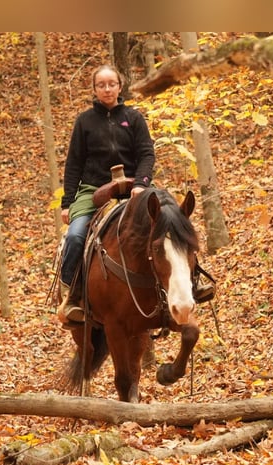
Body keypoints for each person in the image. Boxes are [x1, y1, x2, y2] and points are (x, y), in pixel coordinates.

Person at [57, 64, 154, 324]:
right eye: (102, 85)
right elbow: (74, 164)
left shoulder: (134, 118)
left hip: (133, 187)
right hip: (93, 189)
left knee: (170, 221)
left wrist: (142, 184)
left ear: (120, 87)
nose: (107, 89)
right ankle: (73, 296)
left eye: (112, 84)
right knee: (76, 236)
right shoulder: (84, 121)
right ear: (95, 89)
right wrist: (67, 204)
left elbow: (146, 153)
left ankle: (190, 283)